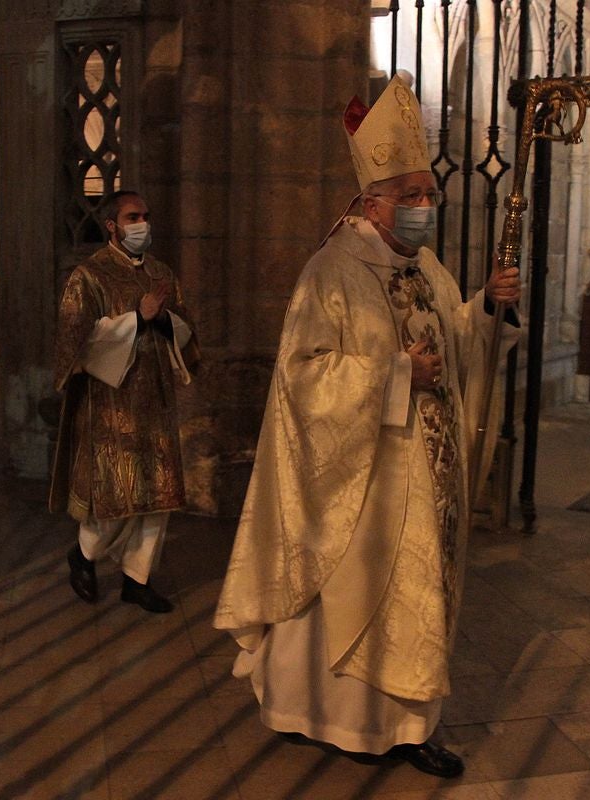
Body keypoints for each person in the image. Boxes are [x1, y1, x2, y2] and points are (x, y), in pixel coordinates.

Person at [213, 74, 521, 779]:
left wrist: (486, 309)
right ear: (369, 204)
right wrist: (393, 377)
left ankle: (408, 726)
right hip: (363, 473)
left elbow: (453, 342)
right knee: (348, 593)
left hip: (425, 468)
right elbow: (302, 376)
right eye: (410, 196)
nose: (423, 207)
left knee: (416, 598)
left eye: (427, 194)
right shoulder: (330, 272)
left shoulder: (430, 269)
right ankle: (307, 711)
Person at [49, 190, 198, 613]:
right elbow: (74, 340)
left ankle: (138, 578)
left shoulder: (161, 272)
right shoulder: (88, 276)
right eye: (133, 217)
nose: (143, 224)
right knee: (116, 496)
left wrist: (167, 320)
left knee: (160, 496)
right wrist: (136, 319)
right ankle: (83, 555)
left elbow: (188, 329)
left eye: (146, 216)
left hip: (157, 398)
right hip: (111, 403)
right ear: (112, 225)